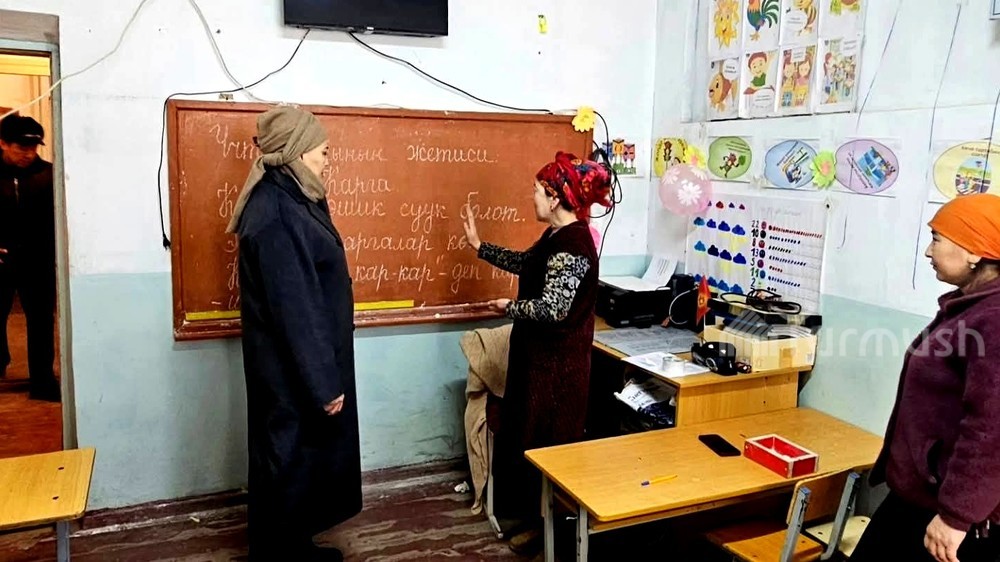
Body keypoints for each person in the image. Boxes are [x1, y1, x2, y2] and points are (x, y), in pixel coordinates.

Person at [227, 106, 361, 562]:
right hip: (290, 370)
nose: (327, 159)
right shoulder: (276, 212)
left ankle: (295, 548)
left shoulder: (294, 196)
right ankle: (280, 555)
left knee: (299, 461)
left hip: (295, 365)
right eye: (323, 152)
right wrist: (324, 383)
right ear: (298, 153)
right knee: (285, 462)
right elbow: (294, 307)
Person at [463, 151, 612, 551]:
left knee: (550, 449)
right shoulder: (554, 237)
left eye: (536, 191)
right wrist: (480, 247)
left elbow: (553, 309)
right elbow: (527, 264)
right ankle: (536, 523)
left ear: (554, 197)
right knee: (532, 443)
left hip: (558, 372)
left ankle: (552, 535)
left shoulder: (574, 245)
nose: (531, 197)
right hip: (539, 364)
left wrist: (508, 307)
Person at [852, 193, 1000, 562]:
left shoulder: (994, 319)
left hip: (952, 515)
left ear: (974, 251)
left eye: (937, 239)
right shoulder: (969, 306)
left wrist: (956, 516)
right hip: (922, 497)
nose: (928, 251)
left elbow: (991, 429)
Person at [0, 114, 59, 401]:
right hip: (1, 261)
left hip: (38, 262)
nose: (29, 154)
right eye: (21, 147)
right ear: (3, 143)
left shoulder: (49, 175)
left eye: (33, 147)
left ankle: (42, 382)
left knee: (41, 323)